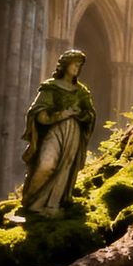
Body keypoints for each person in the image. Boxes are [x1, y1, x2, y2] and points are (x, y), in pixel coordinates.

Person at [19, 49, 95, 215]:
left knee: (65, 168)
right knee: (46, 165)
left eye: (79, 66)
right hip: (55, 131)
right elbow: (38, 113)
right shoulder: (50, 88)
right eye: (74, 64)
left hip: (73, 132)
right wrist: (60, 114)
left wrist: (80, 114)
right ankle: (30, 201)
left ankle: (52, 205)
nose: (77, 68)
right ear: (65, 65)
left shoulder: (81, 92)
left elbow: (90, 114)